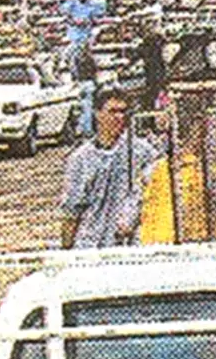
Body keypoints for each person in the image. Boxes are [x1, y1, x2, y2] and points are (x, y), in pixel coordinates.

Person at [61, 89, 160, 249]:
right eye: (112, 111)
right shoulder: (80, 158)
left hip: (130, 245)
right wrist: (67, 251)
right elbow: (71, 212)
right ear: (97, 114)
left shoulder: (143, 152)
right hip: (90, 244)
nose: (119, 117)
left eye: (123, 112)